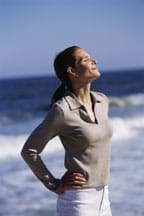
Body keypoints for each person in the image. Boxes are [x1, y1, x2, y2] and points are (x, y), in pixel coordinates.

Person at [21, 46, 113, 216]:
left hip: (104, 197)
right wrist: (54, 185)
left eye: (91, 57)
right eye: (85, 59)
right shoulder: (62, 110)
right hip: (79, 201)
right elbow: (29, 151)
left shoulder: (102, 100)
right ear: (72, 71)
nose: (94, 61)